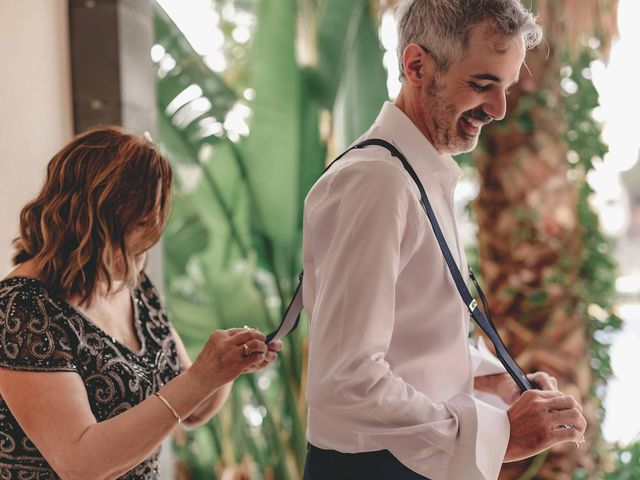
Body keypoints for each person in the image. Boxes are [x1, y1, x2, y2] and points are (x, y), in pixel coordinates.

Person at [301, 1, 586, 479]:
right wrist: (501, 438)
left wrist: (490, 379)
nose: (499, 109)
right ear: (417, 66)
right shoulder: (380, 183)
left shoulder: (418, 173)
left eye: (507, 87)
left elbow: (409, 334)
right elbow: (346, 381)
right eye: (482, 85)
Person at [0, 126, 282, 479]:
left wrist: (224, 370)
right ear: (96, 219)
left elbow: (192, 409)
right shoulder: (23, 308)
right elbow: (78, 463)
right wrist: (199, 379)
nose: (144, 252)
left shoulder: (133, 286)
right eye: (141, 228)